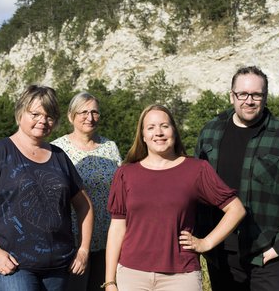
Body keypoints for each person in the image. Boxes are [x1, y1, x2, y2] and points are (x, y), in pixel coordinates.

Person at [0, 85, 94, 291]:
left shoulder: (59, 157)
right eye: (35, 114)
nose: (43, 120)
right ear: (20, 113)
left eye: (49, 116)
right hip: (13, 267)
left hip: (58, 267)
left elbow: (85, 205)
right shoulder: (0, 152)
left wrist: (83, 250)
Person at [195, 66, 279, 291]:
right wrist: (204, 240)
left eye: (256, 95)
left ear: (265, 97)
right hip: (221, 255)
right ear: (232, 95)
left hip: (268, 256)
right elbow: (196, 190)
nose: (249, 101)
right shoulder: (210, 132)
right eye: (242, 94)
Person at [104, 104, 246, 291]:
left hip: (181, 277)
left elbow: (236, 209)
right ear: (143, 136)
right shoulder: (125, 173)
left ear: (174, 131)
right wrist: (110, 281)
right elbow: (117, 228)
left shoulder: (197, 169)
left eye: (164, 126)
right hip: (131, 275)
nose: (159, 132)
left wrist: (206, 242)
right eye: (151, 127)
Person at [52, 92, 122, 291]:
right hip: (72, 242)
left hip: (107, 240)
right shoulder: (57, 149)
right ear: (70, 116)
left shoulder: (110, 147)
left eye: (94, 112)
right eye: (83, 112)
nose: (89, 118)